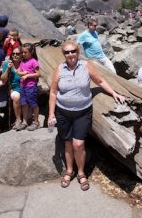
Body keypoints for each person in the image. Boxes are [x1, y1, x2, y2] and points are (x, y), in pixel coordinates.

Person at [48, 41, 125, 191]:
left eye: (73, 51)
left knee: (79, 144)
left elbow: (100, 80)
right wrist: (51, 114)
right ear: (63, 54)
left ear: (77, 52)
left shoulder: (86, 65)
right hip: (63, 112)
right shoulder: (60, 69)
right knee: (68, 143)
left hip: (82, 112)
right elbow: (53, 92)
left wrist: (114, 93)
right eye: (67, 52)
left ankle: (81, 173)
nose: (70, 55)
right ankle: (69, 171)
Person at [16, 43, 40, 131]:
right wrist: (23, 73)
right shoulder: (22, 62)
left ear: (31, 52)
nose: (23, 54)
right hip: (23, 86)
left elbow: (38, 74)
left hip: (31, 86)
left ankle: (36, 121)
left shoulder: (33, 61)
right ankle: (25, 122)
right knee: (24, 104)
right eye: (22, 52)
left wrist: (27, 75)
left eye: (25, 52)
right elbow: (18, 71)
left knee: (33, 104)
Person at [0, 46, 22, 130]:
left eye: (17, 54)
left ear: (21, 55)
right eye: (13, 54)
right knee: (16, 97)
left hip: (24, 87)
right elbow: (3, 80)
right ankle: (18, 119)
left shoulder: (24, 63)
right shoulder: (7, 64)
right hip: (13, 88)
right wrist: (8, 69)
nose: (15, 55)